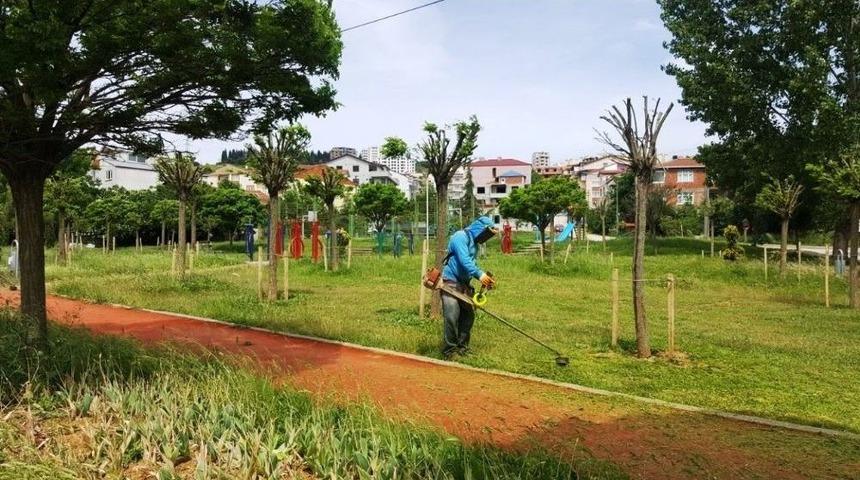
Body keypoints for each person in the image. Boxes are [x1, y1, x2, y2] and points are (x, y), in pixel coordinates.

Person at [440, 216, 497, 359]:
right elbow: (464, 260)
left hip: (464, 285)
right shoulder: (460, 237)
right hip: (450, 283)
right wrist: (479, 274)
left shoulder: (475, 244)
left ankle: (462, 348)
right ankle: (449, 351)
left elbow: (472, 264)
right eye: (486, 234)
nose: (486, 238)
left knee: (468, 317)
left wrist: (484, 279)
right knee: (452, 316)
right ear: (479, 229)